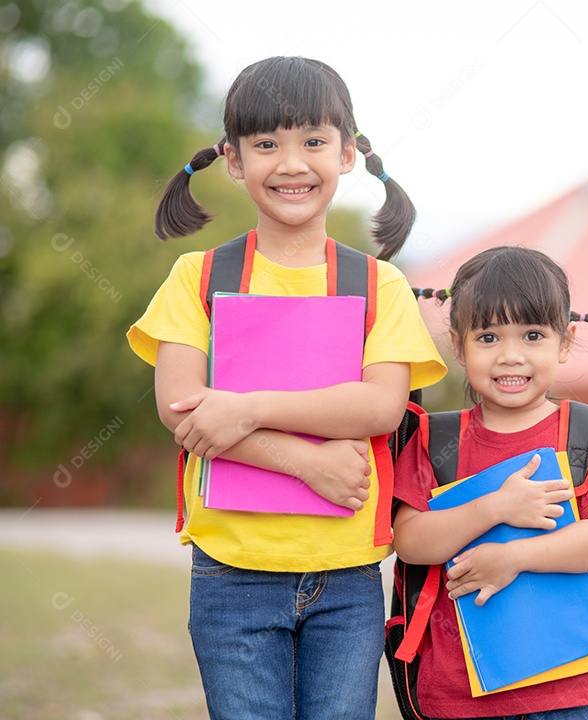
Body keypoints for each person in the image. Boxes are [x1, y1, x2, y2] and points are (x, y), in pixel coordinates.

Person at [126, 56, 446, 720]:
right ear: (235, 161)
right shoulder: (200, 276)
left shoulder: (378, 284)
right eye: (267, 143)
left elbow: (382, 404)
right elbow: (183, 411)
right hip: (231, 574)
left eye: (313, 141)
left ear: (349, 152)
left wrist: (246, 408)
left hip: (347, 579)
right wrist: (308, 461)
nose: (291, 163)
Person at [393, 246, 588, 719]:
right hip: (458, 693)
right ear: (458, 345)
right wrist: (496, 507)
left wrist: (514, 557)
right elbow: (409, 541)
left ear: (566, 341)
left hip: (566, 684)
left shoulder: (586, 433)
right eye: (488, 337)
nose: (511, 356)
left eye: (532, 335)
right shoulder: (435, 438)